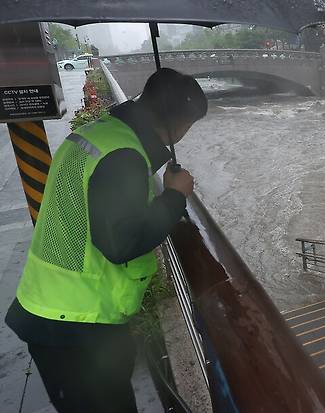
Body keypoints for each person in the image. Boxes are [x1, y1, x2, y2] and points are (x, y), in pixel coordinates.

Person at [4, 68, 208, 413]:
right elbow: (120, 244)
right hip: (77, 326)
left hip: (56, 310)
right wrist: (174, 198)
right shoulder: (123, 156)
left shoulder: (101, 134)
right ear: (180, 125)